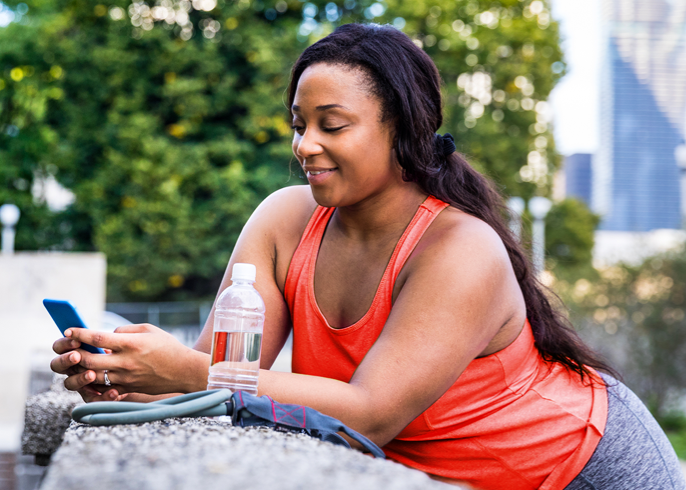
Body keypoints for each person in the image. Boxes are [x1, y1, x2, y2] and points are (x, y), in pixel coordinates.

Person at [50, 23, 685, 490]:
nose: (306, 145)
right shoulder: (283, 219)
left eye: (333, 124)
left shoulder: (459, 249)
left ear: (402, 128)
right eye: (300, 124)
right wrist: (128, 376)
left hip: (586, 466)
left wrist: (190, 374)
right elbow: (226, 374)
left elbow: (369, 416)